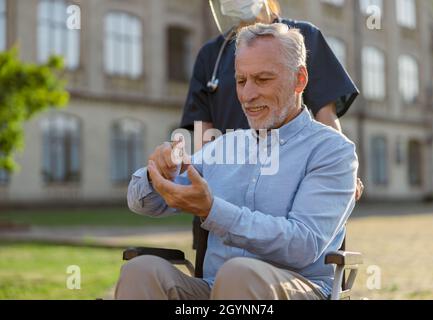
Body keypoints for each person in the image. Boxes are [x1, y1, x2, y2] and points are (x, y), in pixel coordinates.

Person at [115, 23, 358, 300]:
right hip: (214, 291)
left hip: (300, 287)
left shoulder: (332, 151)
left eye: (263, 79)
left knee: (238, 275)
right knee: (141, 270)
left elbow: (303, 246)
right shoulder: (223, 145)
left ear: (299, 80)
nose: (248, 95)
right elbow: (142, 202)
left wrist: (212, 210)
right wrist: (156, 173)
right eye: (241, 81)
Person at [181, 0, 363, 251]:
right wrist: (199, 180)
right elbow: (204, 132)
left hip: (286, 185)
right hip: (225, 191)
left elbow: (325, 111)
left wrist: (339, 169)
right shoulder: (211, 55)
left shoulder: (302, 38)